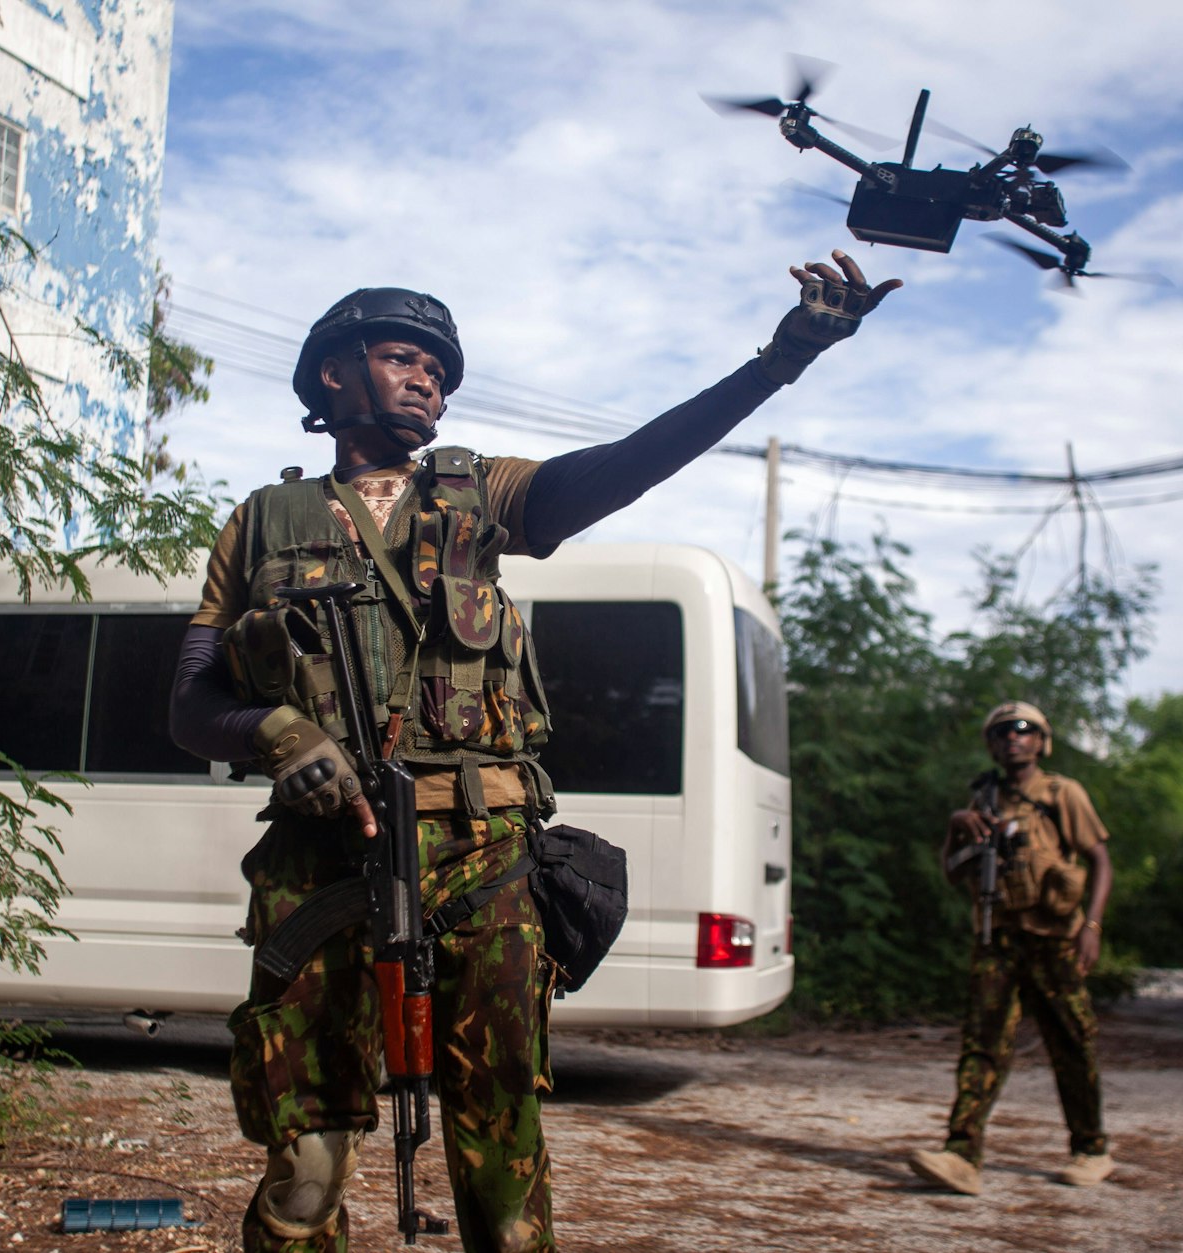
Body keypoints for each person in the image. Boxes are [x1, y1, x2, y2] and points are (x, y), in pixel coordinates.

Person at [168, 256, 901, 1252]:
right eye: (400, 356)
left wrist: (777, 362)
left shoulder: (479, 495)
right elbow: (189, 702)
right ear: (333, 375)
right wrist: (277, 730)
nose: (426, 377)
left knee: (498, 1144)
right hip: (320, 859)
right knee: (305, 1156)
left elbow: (626, 464)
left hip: (482, 855)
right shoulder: (260, 522)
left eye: (437, 364)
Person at [907, 701, 1116, 1197]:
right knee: (983, 1044)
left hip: (1055, 940)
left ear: (1042, 741)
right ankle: (961, 1154)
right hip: (998, 936)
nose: (1013, 739)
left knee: (1071, 1041)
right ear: (991, 744)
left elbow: (1101, 860)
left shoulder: (1063, 793)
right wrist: (958, 827)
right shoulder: (982, 801)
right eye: (1002, 732)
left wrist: (1092, 925)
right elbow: (953, 872)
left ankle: (1091, 1148)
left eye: (1024, 731)